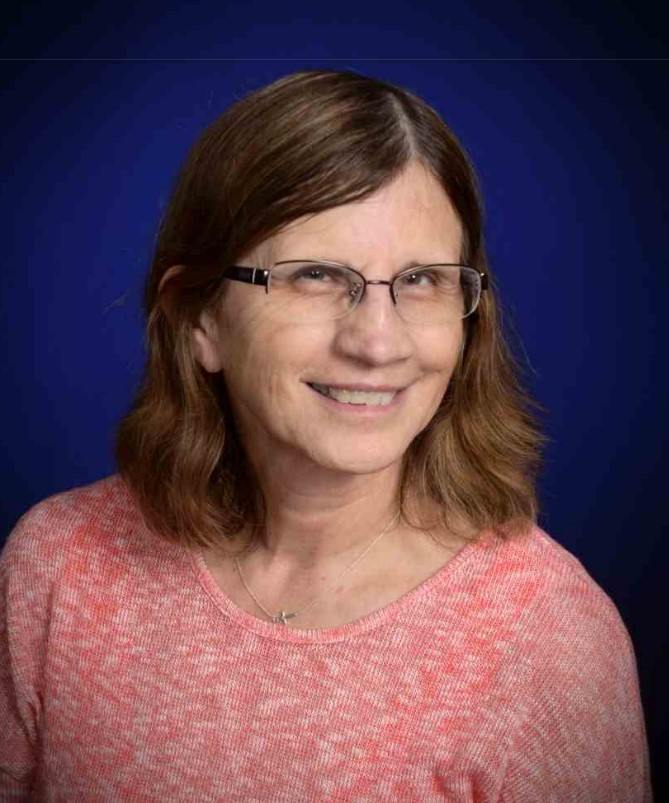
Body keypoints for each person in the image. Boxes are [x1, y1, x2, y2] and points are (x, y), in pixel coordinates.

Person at [0, 69, 652, 802]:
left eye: (422, 280)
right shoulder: (59, 568)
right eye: (315, 274)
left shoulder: (548, 638)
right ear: (197, 316)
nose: (378, 342)